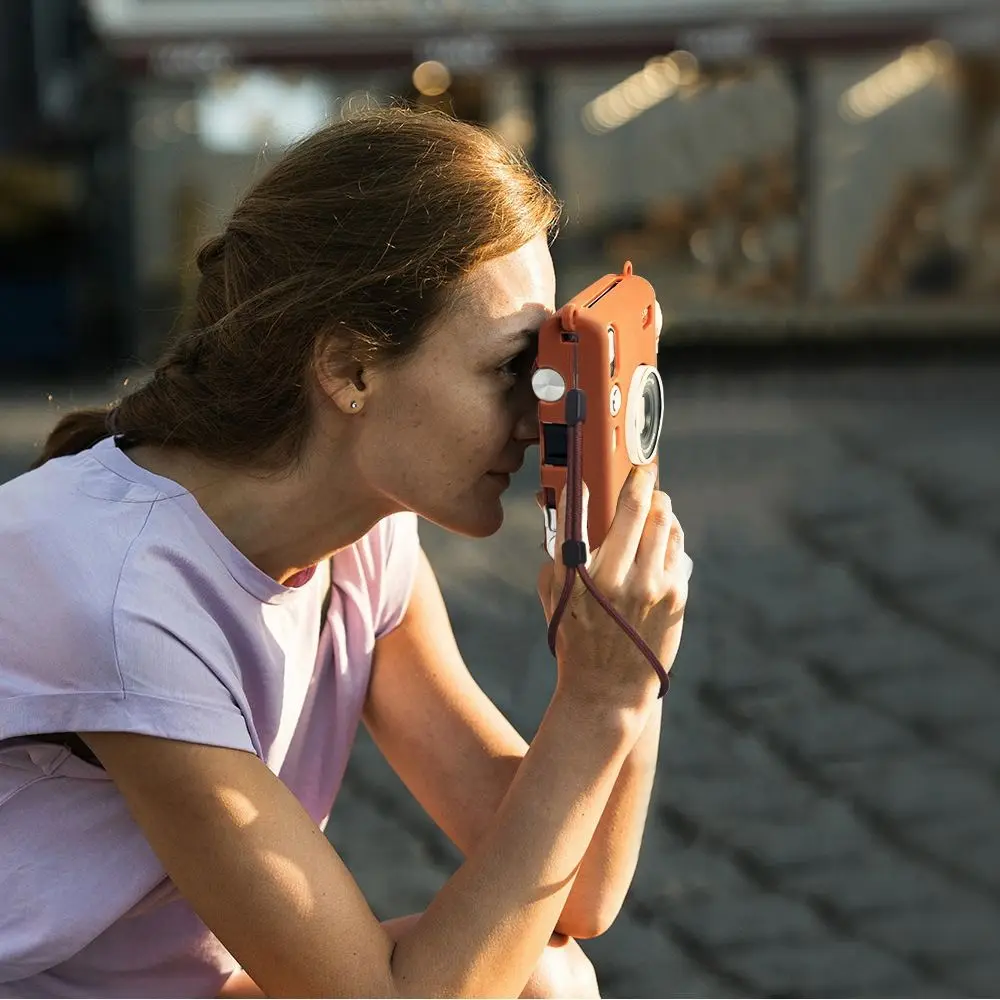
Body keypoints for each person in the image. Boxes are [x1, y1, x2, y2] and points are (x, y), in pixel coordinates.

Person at [0, 107, 691, 998]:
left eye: (553, 370)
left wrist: (624, 649)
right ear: (351, 370)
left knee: (541, 979)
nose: (538, 416)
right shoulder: (126, 597)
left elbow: (578, 890)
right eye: (510, 368)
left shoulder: (364, 538)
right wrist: (598, 701)